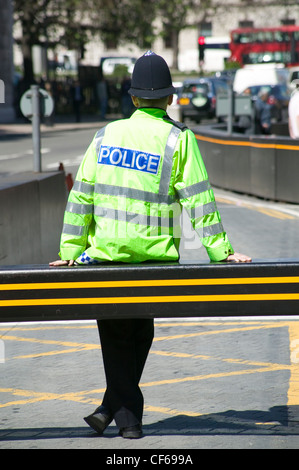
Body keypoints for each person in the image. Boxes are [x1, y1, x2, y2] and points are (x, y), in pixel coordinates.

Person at [50, 51, 251, 439]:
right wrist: (220, 252)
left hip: (104, 259)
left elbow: (81, 199)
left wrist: (70, 252)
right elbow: (199, 201)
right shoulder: (179, 139)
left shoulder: (105, 135)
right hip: (152, 262)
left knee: (115, 335)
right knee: (141, 334)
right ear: (171, 98)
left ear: (134, 98)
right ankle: (128, 422)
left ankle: (112, 408)